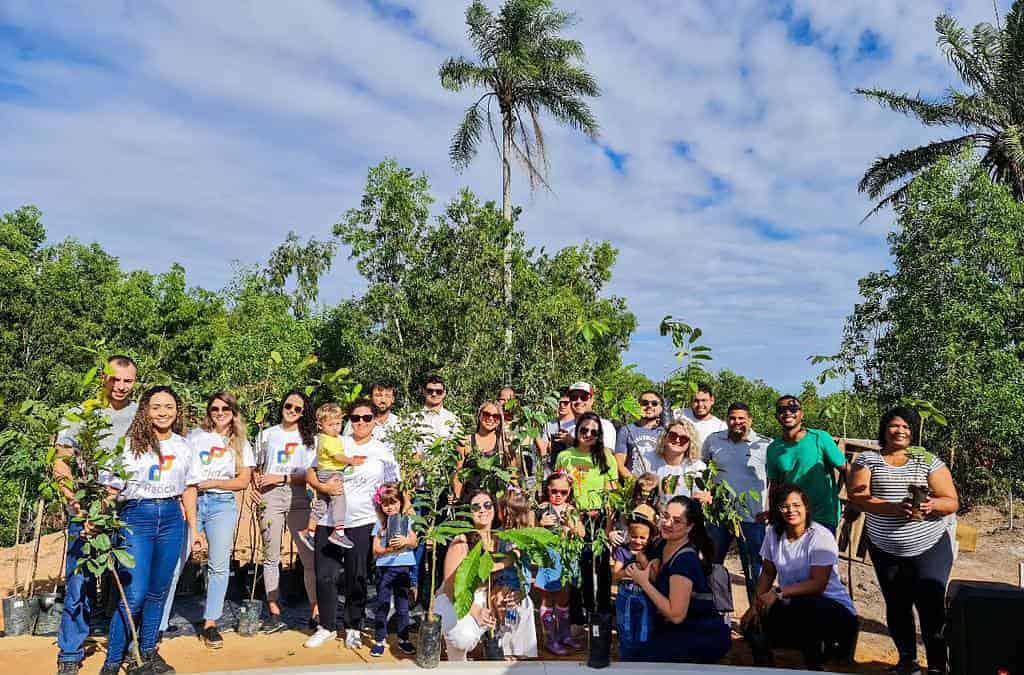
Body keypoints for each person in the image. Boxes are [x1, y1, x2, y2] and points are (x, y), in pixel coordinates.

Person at [98, 386, 201, 675]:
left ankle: (145, 653)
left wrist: (194, 530)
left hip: (171, 518)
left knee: (158, 591)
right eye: (156, 406)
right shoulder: (129, 444)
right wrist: (98, 521)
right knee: (134, 593)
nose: (163, 412)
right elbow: (111, 487)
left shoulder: (183, 446)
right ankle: (112, 661)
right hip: (137, 516)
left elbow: (189, 489)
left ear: (177, 410)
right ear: (145, 410)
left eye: (169, 406)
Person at [848, 406, 959, 675]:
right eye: (894, 425)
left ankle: (936, 666)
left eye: (906, 427)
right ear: (884, 429)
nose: (900, 431)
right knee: (897, 605)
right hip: (885, 548)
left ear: (914, 432)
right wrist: (894, 508)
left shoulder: (927, 460)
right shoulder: (868, 461)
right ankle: (907, 662)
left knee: (931, 605)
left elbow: (952, 501)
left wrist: (931, 504)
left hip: (929, 545)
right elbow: (859, 497)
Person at [55, 355, 138, 675]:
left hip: (129, 507)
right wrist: (72, 500)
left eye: (127, 380)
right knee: (79, 580)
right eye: (114, 379)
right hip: (86, 506)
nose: (120, 386)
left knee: (127, 579)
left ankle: (128, 647)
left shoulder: (140, 415)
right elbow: (61, 462)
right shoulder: (80, 414)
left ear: (135, 382)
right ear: (103, 378)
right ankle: (70, 652)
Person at [304, 399, 400, 650]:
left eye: (366, 418)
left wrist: (389, 521)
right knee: (325, 576)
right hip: (329, 520)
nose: (360, 422)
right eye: (355, 418)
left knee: (356, 577)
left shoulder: (382, 450)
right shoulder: (336, 440)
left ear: (374, 421)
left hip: (362, 521)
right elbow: (311, 471)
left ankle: (353, 626)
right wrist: (322, 487)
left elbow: (392, 487)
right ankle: (326, 625)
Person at [161, 392, 255, 649]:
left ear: (233, 411)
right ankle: (158, 623)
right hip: (191, 500)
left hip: (221, 503)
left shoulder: (241, 443)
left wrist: (213, 482)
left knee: (219, 564)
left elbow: (243, 481)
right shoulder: (194, 436)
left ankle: (211, 622)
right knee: (176, 561)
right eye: (215, 408)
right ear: (209, 411)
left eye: (225, 408)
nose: (220, 412)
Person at [742, 484, 858, 671]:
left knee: (806, 607)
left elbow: (818, 584)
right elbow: (767, 572)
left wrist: (778, 592)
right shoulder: (773, 532)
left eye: (796, 505)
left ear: (806, 507)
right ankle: (767, 668)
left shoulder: (820, 536)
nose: (791, 510)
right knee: (750, 626)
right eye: (784, 506)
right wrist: (755, 606)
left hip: (831, 608)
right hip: (793, 603)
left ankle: (821, 661)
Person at [620, 496, 731, 663]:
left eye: (677, 521)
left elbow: (676, 615)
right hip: (674, 628)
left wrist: (643, 581)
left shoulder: (685, 560)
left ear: (690, 527)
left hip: (698, 634)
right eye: (665, 517)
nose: (667, 523)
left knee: (637, 660)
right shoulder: (661, 545)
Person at [254, 390, 319, 633]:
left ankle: (315, 608)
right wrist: (255, 483)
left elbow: (310, 473)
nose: (291, 410)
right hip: (270, 498)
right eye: (288, 405)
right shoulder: (267, 434)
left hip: (298, 495)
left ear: (304, 413)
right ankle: (274, 609)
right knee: (271, 554)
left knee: (308, 556)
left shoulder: (310, 438)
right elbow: (255, 467)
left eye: (298, 408)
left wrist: (280, 476)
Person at [432, 489, 515, 661]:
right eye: (475, 507)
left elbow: (505, 570)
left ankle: (494, 647)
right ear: (468, 512)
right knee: (463, 638)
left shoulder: (500, 539)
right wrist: (475, 610)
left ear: (494, 508)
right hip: (456, 597)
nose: (482, 510)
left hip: (484, 596)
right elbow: (449, 587)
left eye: (487, 505)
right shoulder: (461, 541)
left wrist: (510, 560)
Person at [554, 412, 618, 628]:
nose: (588, 434)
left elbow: (611, 493)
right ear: (577, 430)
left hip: (599, 517)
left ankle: (601, 613)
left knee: (601, 566)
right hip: (575, 516)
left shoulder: (606, 456)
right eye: (584, 430)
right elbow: (559, 489)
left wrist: (608, 527)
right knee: (577, 565)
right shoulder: (565, 456)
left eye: (593, 431)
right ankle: (579, 614)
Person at [702, 402, 771, 587]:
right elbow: (702, 470)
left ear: (750, 420)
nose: (736, 422)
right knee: (712, 564)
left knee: (754, 567)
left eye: (741, 418)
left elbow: (775, 480)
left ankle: (756, 612)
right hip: (719, 515)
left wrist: (769, 509)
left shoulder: (765, 445)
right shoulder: (713, 440)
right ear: (726, 419)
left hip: (752, 517)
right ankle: (711, 609)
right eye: (732, 418)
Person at [766, 395, 848, 534]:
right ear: (776, 416)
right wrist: (773, 513)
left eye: (793, 408)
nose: (787, 413)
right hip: (791, 517)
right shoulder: (774, 448)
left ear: (801, 414)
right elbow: (775, 485)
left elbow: (847, 469)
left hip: (823, 517)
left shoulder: (819, 438)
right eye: (782, 409)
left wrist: (854, 503)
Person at [534, 471, 585, 655]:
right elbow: (530, 534)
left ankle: (564, 635)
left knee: (564, 597)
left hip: (566, 559)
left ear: (569, 491)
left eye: (563, 492)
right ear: (547, 489)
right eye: (554, 491)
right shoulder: (541, 508)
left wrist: (569, 523)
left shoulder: (571, 509)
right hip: (549, 557)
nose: (558, 495)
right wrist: (540, 525)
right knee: (548, 597)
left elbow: (582, 533)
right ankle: (550, 638)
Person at [368, 483, 417, 658]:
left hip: (403, 568)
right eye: (386, 504)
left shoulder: (407, 521)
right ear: (380, 505)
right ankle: (380, 639)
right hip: (384, 569)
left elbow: (414, 542)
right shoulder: (380, 525)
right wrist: (389, 550)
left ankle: (403, 639)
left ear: (401, 503)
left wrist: (405, 541)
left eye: (394, 503)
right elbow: (375, 550)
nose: (390, 507)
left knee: (403, 608)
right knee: (382, 605)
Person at [300, 403, 355, 550]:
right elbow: (338, 457)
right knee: (339, 500)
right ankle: (339, 532)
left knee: (322, 504)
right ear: (320, 425)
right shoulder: (328, 440)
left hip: (325, 471)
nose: (336, 427)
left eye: (338, 423)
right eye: (331, 424)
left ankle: (309, 531)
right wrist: (351, 461)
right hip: (331, 473)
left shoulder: (327, 438)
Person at [492, 488, 539, 659]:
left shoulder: (520, 536)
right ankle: (507, 651)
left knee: (514, 619)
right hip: (503, 583)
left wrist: (494, 567)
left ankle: (515, 654)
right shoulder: (500, 533)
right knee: (505, 616)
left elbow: (513, 558)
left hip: (515, 585)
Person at [611, 515, 660, 660]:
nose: (637, 541)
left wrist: (644, 562)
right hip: (625, 596)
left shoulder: (651, 553)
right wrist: (629, 571)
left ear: (649, 538)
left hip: (646, 597)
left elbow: (654, 577)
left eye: (642, 538)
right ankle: (626, 656)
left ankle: (642, 657)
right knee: (625, 627)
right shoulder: (622, 550)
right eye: (634, 536)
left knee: (645, 626)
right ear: (628, 534)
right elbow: (616, 575)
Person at [453, 401, 513, 500]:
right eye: (486, 414)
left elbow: (512, 474)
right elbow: (458, 473)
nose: (490, 418)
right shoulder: (465, 442)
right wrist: (457, 497)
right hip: (471, 500)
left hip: (497, 501)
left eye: (495, 416)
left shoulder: (505, 444)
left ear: (500, 420)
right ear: (479, 416)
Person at [653, 419, 709, 507]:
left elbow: (701, 498)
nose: (677, 440)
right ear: (664, 437)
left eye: (684, 438)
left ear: (690, 443)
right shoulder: (649, 460)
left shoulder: (698, 467)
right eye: (673, 435)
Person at [615, 390, 666, 478]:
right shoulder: (626, 430)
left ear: (661, 408)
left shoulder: (666, 432)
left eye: (654, 403)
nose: (649, 406)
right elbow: (619, 464)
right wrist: (635, 484)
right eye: (644, 403)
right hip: (633, 485)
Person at [672, 384, 727, 450]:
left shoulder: (720, 427)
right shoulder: (678, 414)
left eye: (704, 400)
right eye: (696, 401)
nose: (700, 405)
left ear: (712, 400)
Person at [415, 375, 461, 445]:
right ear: (424, 392)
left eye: (438, 391)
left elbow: (458, 445)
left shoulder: (453, 419)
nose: (434, 394)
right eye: (430, 391)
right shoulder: (412, 419)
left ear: (444, 393)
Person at [535, 389, 574, 469]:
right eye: (559, 403)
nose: (562, 406)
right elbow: (544, 450)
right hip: (554, 469)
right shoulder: (549, 425)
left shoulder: (580, 424)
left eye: (566, 403)